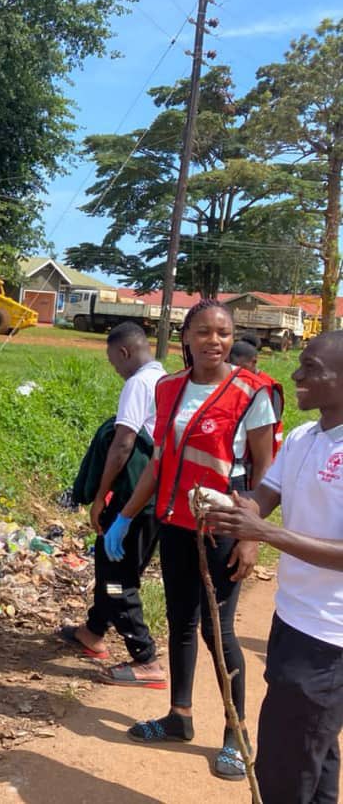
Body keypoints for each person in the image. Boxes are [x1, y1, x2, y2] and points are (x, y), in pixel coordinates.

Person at [104, 299, 276, 780]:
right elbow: (160, 462)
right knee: (180, 621)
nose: (215, 342)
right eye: (204, 332)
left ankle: (235, 734)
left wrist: (251, 536)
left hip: (222, 526)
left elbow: (264, 473)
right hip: (176, 524)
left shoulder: (252, 392)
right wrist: (126, 514)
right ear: (186, 337)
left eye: (223, 333)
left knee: (217, 629)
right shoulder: (169, 388)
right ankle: (179, 717)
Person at [207, 331, 343, 803]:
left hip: (329, 638)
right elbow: (267, 495)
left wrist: (267, 535)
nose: (296, 375)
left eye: (311, 368)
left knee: (286, 768)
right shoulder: (306, 436)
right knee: (313, 757)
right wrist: (238, 511)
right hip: (291, 619)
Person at [60, 322, 166, 688]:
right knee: (117, 569)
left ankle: (146, 657)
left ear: (124, 352)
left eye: (113, 361)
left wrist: (101, 496)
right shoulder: (164, 379)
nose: (115, 369)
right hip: (154, 501)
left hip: (131, 501)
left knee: (117, 581)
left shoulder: (138, 384)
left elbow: (123, 444)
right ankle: (92, 631)